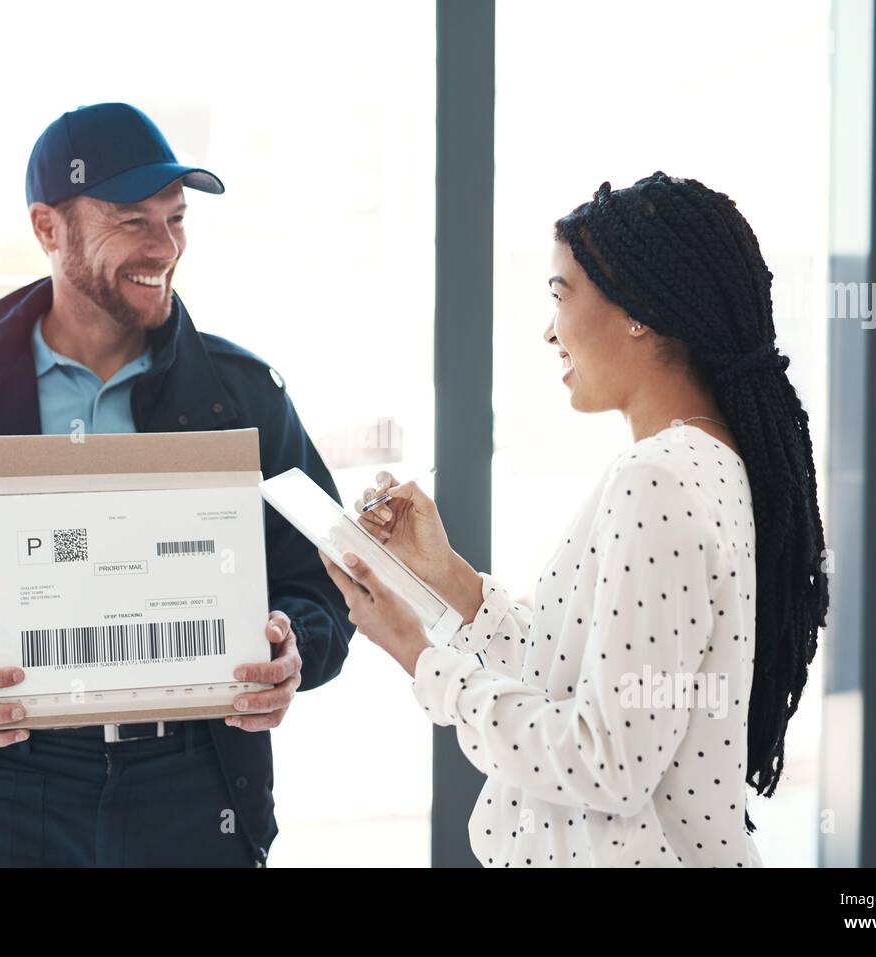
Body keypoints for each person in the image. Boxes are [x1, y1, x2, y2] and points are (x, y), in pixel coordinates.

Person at [0, 102, 353, 867]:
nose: (163, 246)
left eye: (174, 219)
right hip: (6, 787)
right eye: (132, 220)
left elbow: (325, 582)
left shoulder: (242, 397)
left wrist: (293, 645)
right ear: (48, 228)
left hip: (192, 788)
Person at [321, 172, 829, 867]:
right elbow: (588, 683)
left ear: (638, 312)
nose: (549, 328)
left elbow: (604, 760)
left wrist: (421, 655)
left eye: (561, 294)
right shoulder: (706, 461)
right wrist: (448, 576)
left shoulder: (656, 480)